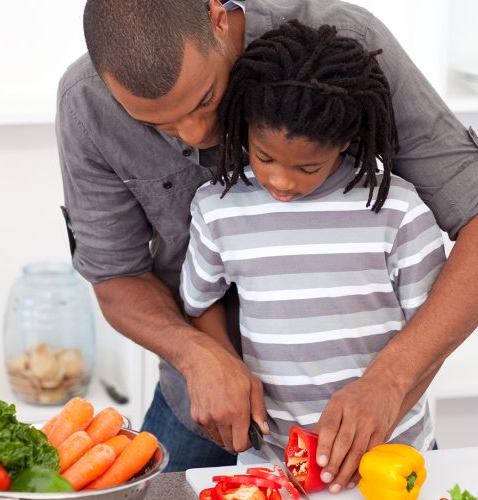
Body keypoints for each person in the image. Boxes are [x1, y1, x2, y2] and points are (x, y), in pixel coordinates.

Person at [57, 0, 478, 491]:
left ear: (218, 18)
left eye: (204, 99)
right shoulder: (86, 104)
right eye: (159, 125)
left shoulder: (344, 40)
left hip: (370, 425)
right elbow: (115, 278)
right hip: (198, 406)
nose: (197, 134)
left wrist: (388, 383)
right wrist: (197, 354)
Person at [179, 19, 447, 466]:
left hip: (391, 457)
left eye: (308, 167)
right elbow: (198, 302)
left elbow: (434, 335)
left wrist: (385, 404)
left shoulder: (397, 211)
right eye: (264, 157)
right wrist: (227, 368)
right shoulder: (219, 208)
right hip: (273, 462)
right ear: (243, 125)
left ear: (345, 142)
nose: (281, 181)